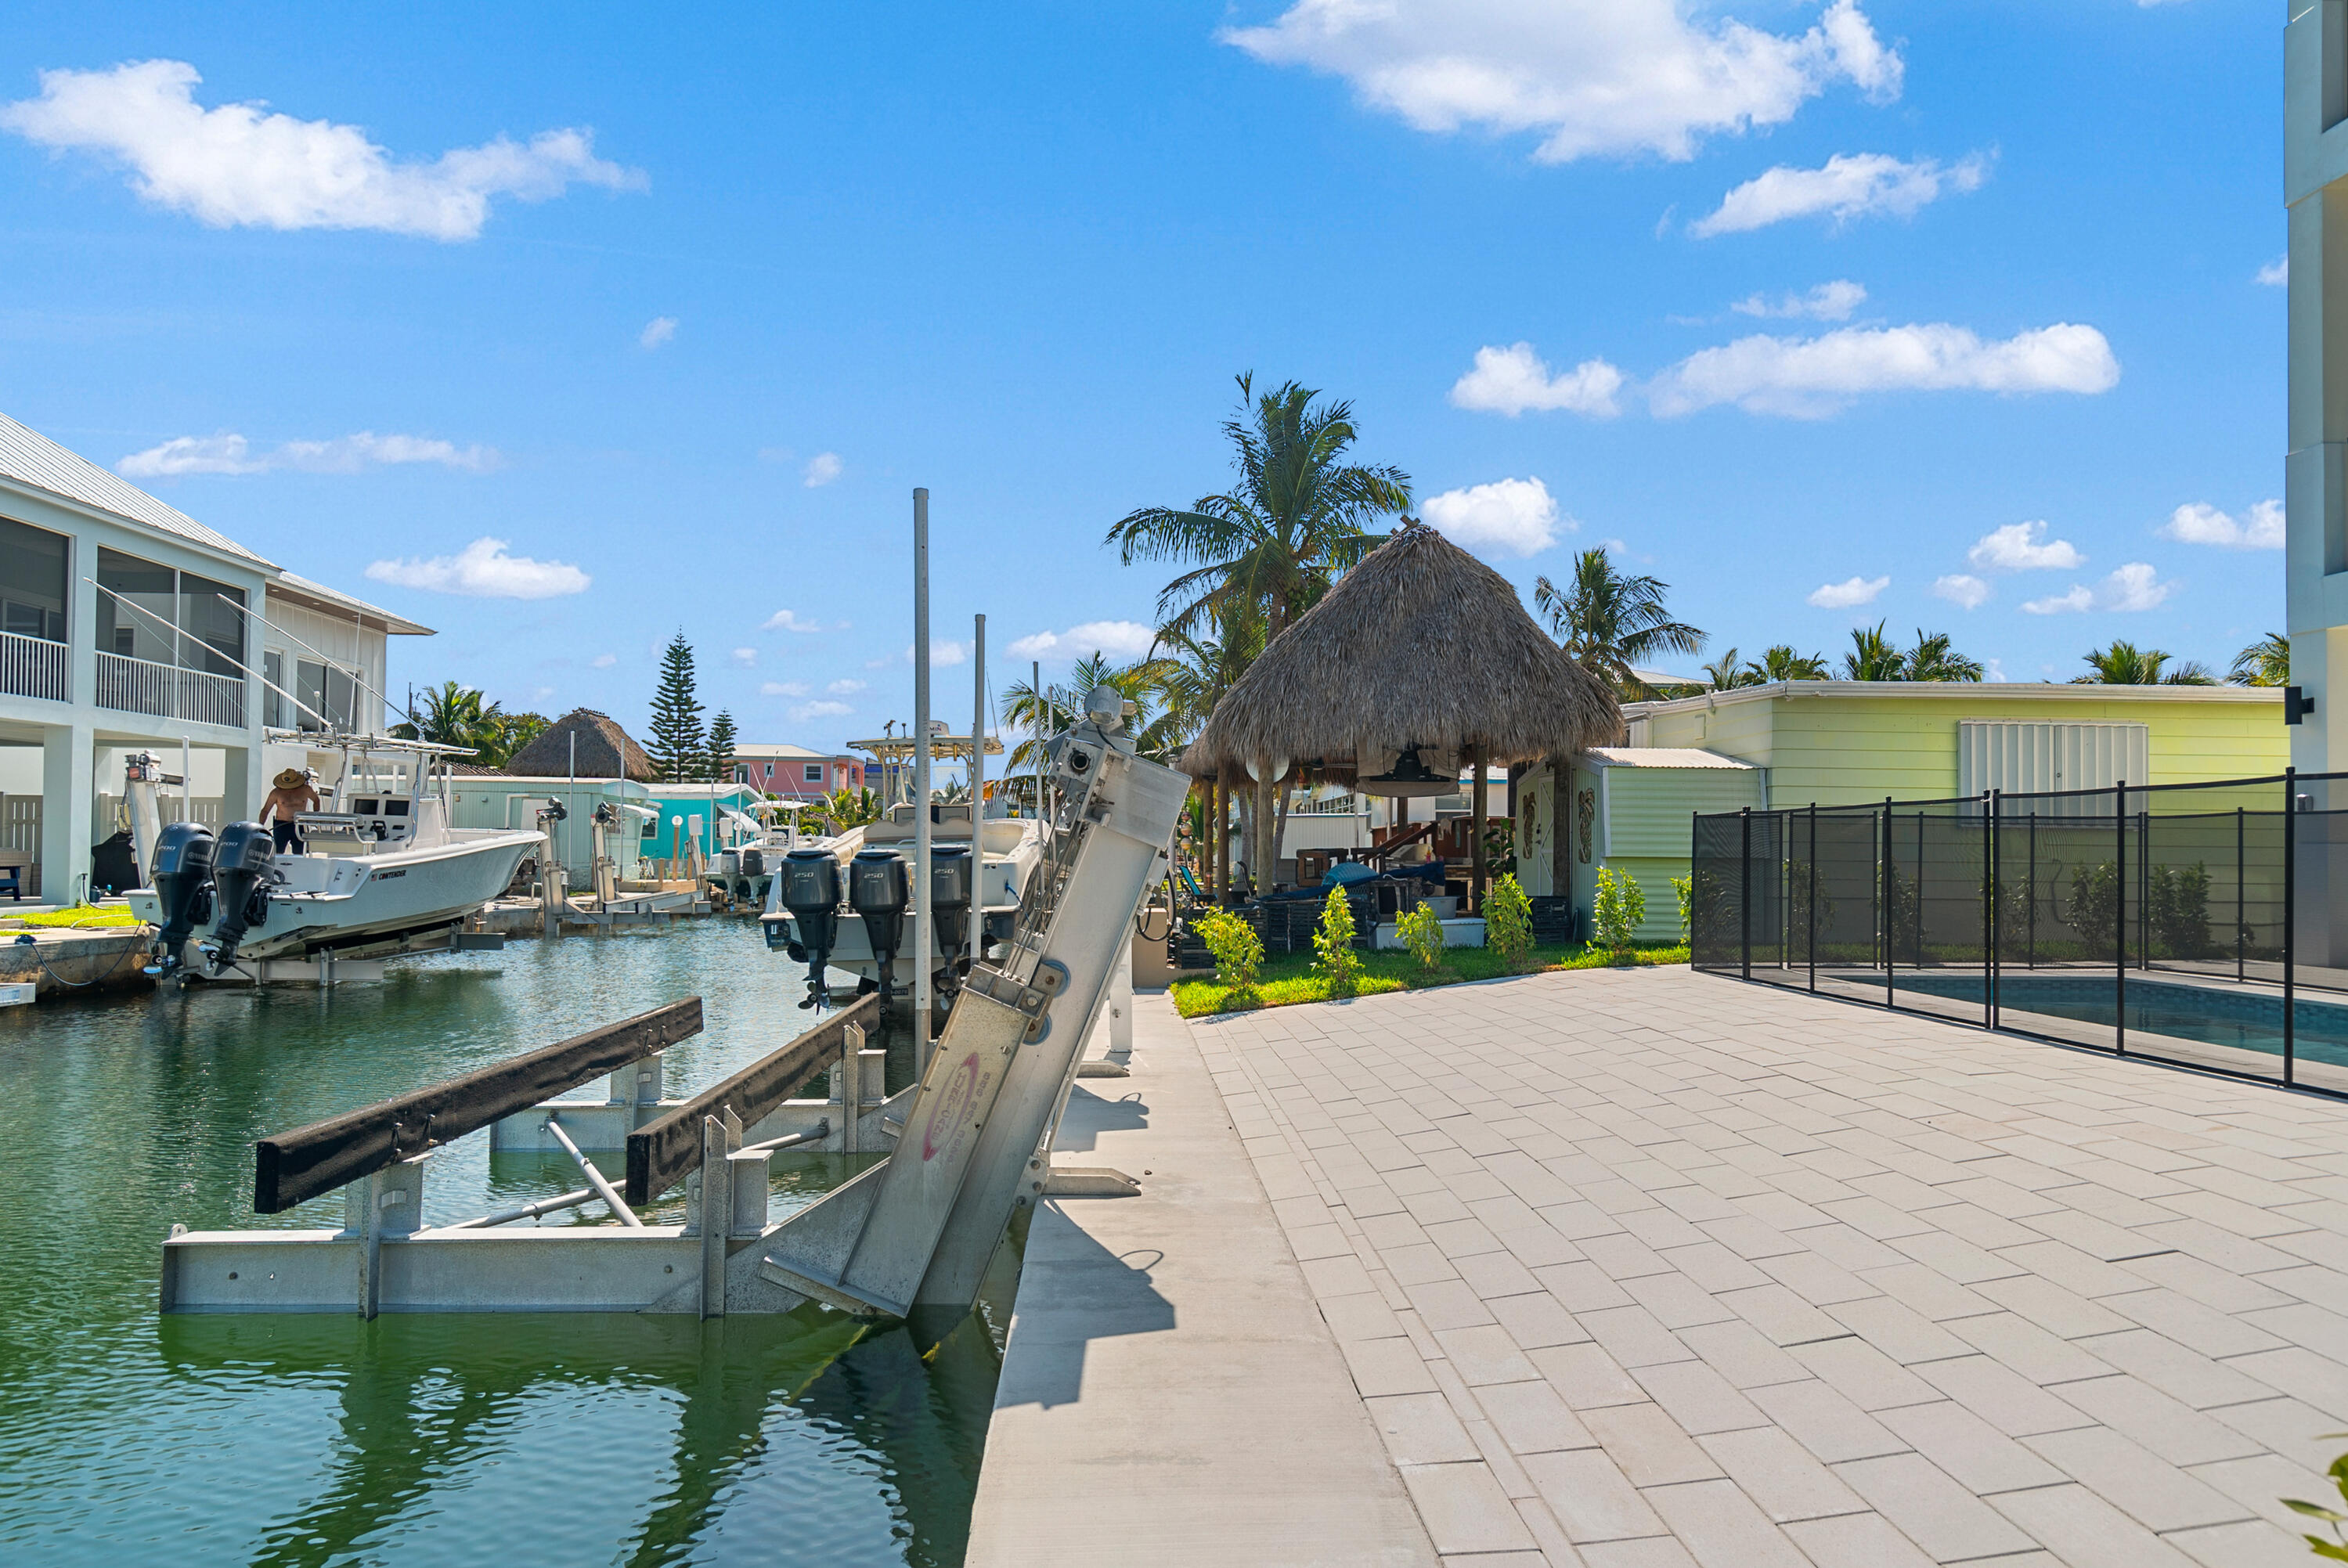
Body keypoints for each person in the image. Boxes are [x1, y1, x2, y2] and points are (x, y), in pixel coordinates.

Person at [261, 767, 319, 854]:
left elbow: (316, 800)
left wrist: (314, 817)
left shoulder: (305, 789)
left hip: (299, 825)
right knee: (277, 853)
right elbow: (265, 810)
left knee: (299, 853)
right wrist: (261, 826)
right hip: (282, 825)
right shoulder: (276, 792)